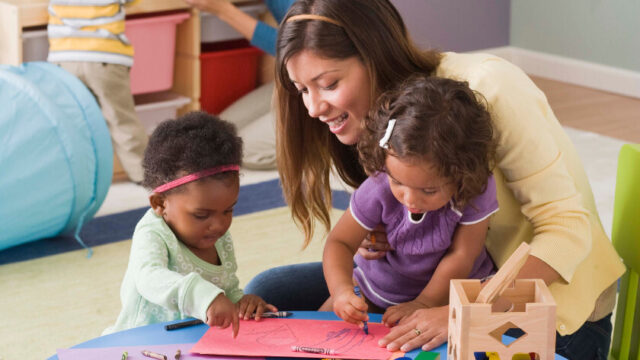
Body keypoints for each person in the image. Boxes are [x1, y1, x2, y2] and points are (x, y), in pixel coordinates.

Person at [256, 0, 625, 358]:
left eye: (329, 83)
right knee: (267, 291)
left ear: (374, 56)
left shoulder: (488, 88)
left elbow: (568, 231)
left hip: (553, 317)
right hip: (431, 287)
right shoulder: (385, 123)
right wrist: (377, 237)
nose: (314, 108)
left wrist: (461, 312)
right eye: (303, 89)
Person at [321, 74, 499, 329]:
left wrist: (425, 303)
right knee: (322, 331)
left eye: (428, 190)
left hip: (450, 297)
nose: (410, 199)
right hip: (378, 289)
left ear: (462, 174)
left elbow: (462, 254)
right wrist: (341, 292)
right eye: (398, 182)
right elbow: (339, 242)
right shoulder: (378, 186)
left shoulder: (475, 187)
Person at [103, 112, 276, 336]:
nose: (219, 225)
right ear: (160, 203)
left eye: (228, 210)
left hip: (194, 341)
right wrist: (205, 296)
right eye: (202, 215)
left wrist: (242, 303)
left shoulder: (217, 237)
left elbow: (227, 288)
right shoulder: (152, 233)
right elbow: (149, 277)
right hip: (142, 342)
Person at [182, 0, 295, 169]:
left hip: (325, 85)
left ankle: (331, 143)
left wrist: (224, 10)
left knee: (244, 150)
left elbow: (301, 51)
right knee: (218, 132)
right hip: (295, 82)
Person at [47, 0, 148, 183]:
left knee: (75, 124)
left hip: (64, 59)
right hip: (104, 57)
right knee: (121, 120)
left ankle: (79, 177)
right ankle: (144, 174)